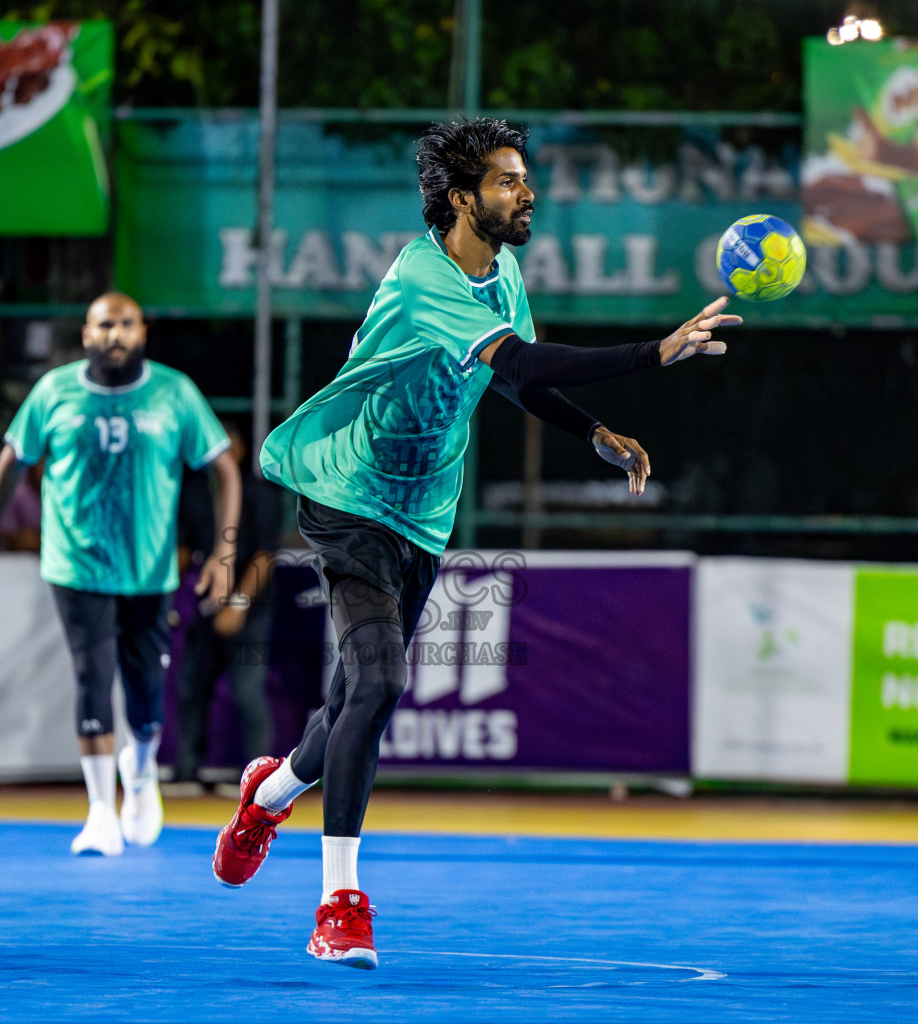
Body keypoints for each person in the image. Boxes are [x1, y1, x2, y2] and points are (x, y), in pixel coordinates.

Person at [209, 118, 738, 969]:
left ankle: (267, 794)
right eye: (507, 181)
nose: (527, 193)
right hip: (349, 500)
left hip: (423, 514)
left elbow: (513, 375)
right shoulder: (425, 277)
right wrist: (655, 352)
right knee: (380, 681)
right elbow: (525, 366)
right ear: (462, 198)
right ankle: (338, 904)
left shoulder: (502, 272)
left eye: (525, 179)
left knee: (353, 698)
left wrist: (593, 432)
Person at [0, 292, 240, 856]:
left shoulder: (174, 392)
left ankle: (139, 775)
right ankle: (99, 812)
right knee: (92, 675)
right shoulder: (55, 391)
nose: (113, 334)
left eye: (124, 324)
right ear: (86, 335)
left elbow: (225, 470)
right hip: (75, 565)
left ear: (142, 330)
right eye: (102, 325)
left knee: (145, 695)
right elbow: (10, 462)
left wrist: (223, 553)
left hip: (149, 570)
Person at [173, 421, 284, 788]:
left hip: (249, 607)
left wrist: (237, 604)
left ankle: (257, 782)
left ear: (239, 448)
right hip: (206, 604)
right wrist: (168, 598)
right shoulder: (195, 491)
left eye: (226, 441)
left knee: (246, 691)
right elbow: (185, 549)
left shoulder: (259, 492)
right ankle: (186, 772)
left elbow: (264, 556)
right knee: (191, 685)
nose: (217, 449)